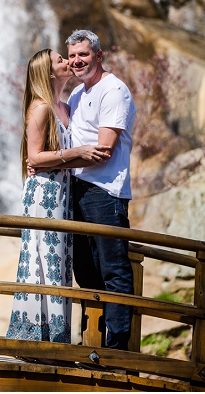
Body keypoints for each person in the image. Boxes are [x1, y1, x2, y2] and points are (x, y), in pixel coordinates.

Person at [6, 49, 110, 345]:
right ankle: (37, 341)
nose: (68, 61)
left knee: (60, 264)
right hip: (43, 196)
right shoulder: (41, 108)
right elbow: (34, 157)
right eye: (61, 60)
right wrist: (75, 153)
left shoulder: (65, 106)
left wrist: (74, 157)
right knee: (42, 263)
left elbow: (52, 158)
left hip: (62, 193)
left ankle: (56, 340)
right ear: (50, 73)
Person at [65, 29, 137, 350]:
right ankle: (92, 341)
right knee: (84, 270)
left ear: (98, 55)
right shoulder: (77, 94)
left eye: (83, 54)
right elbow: (68, 133)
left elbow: (104, 148)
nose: (77, 61)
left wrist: (59, 159)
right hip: (78, 191)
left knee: (114, 269)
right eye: (73, 55)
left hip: (105, 193)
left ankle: (117, 348)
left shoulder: (114, 90)